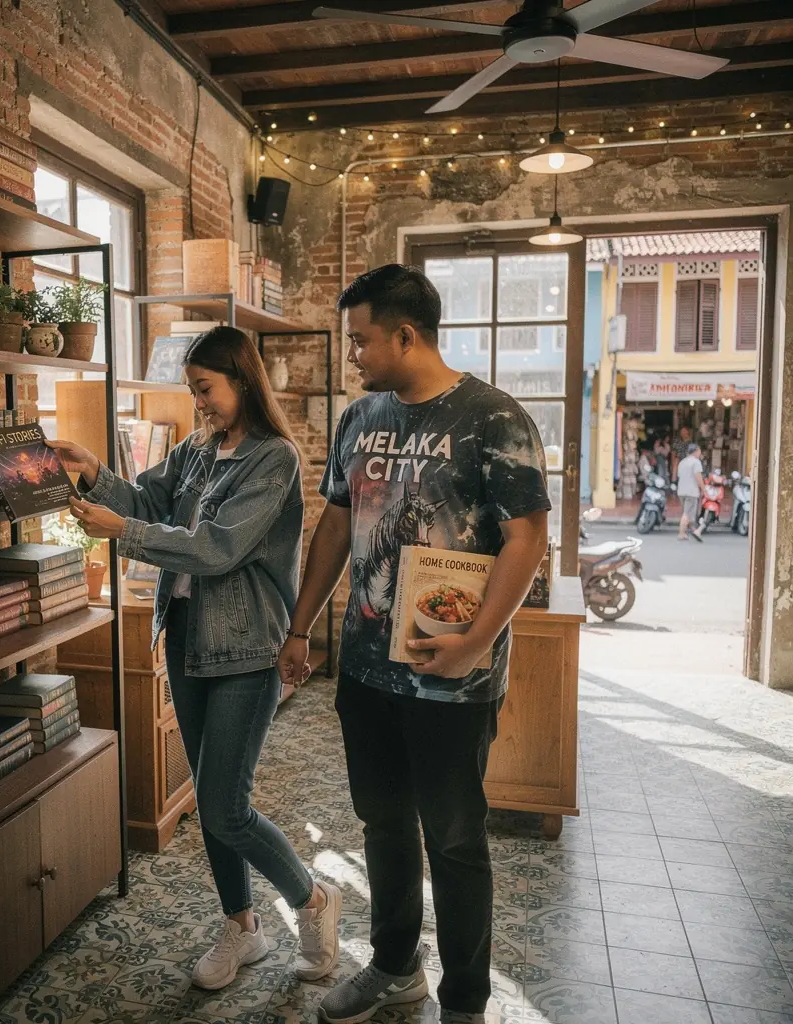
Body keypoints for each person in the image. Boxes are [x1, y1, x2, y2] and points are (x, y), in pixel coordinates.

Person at [277, 265, 551, 1024]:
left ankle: (465, 1002)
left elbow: (527, 539)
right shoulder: (359, 419)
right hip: (367, 672)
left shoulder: (493, 418)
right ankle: (395, 968)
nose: (352, 354)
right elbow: (336, 524)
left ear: (406, 334)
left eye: (360, 340)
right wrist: (301, 627)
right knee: (384, 825)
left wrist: (474, 643)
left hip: (451, 678)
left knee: (456, 840)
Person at [46, 326, 341, 991]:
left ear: (242, 380)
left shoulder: (274, 459)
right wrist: (92, 468)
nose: (199, 403)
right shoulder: (197, 450)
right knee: (212, 802)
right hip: (184, 638)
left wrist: (124, 532)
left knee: (224, 804)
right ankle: (242, 926)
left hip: (248, 648)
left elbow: (216, 548)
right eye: (192, 390)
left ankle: (313, 899)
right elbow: (145, 502)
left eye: (205, 389)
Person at [676, 441, 706, 541]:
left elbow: (679, 476)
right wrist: (703, 489)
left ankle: (694, 530)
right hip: (691, 492)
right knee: (687, 513)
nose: (700, 453)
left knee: (687, 512)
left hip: (681, 491)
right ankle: (681, 533)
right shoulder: (696, 462)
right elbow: (698, 477)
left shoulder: (682, 462)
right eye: (699, 451)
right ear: (696, 451)